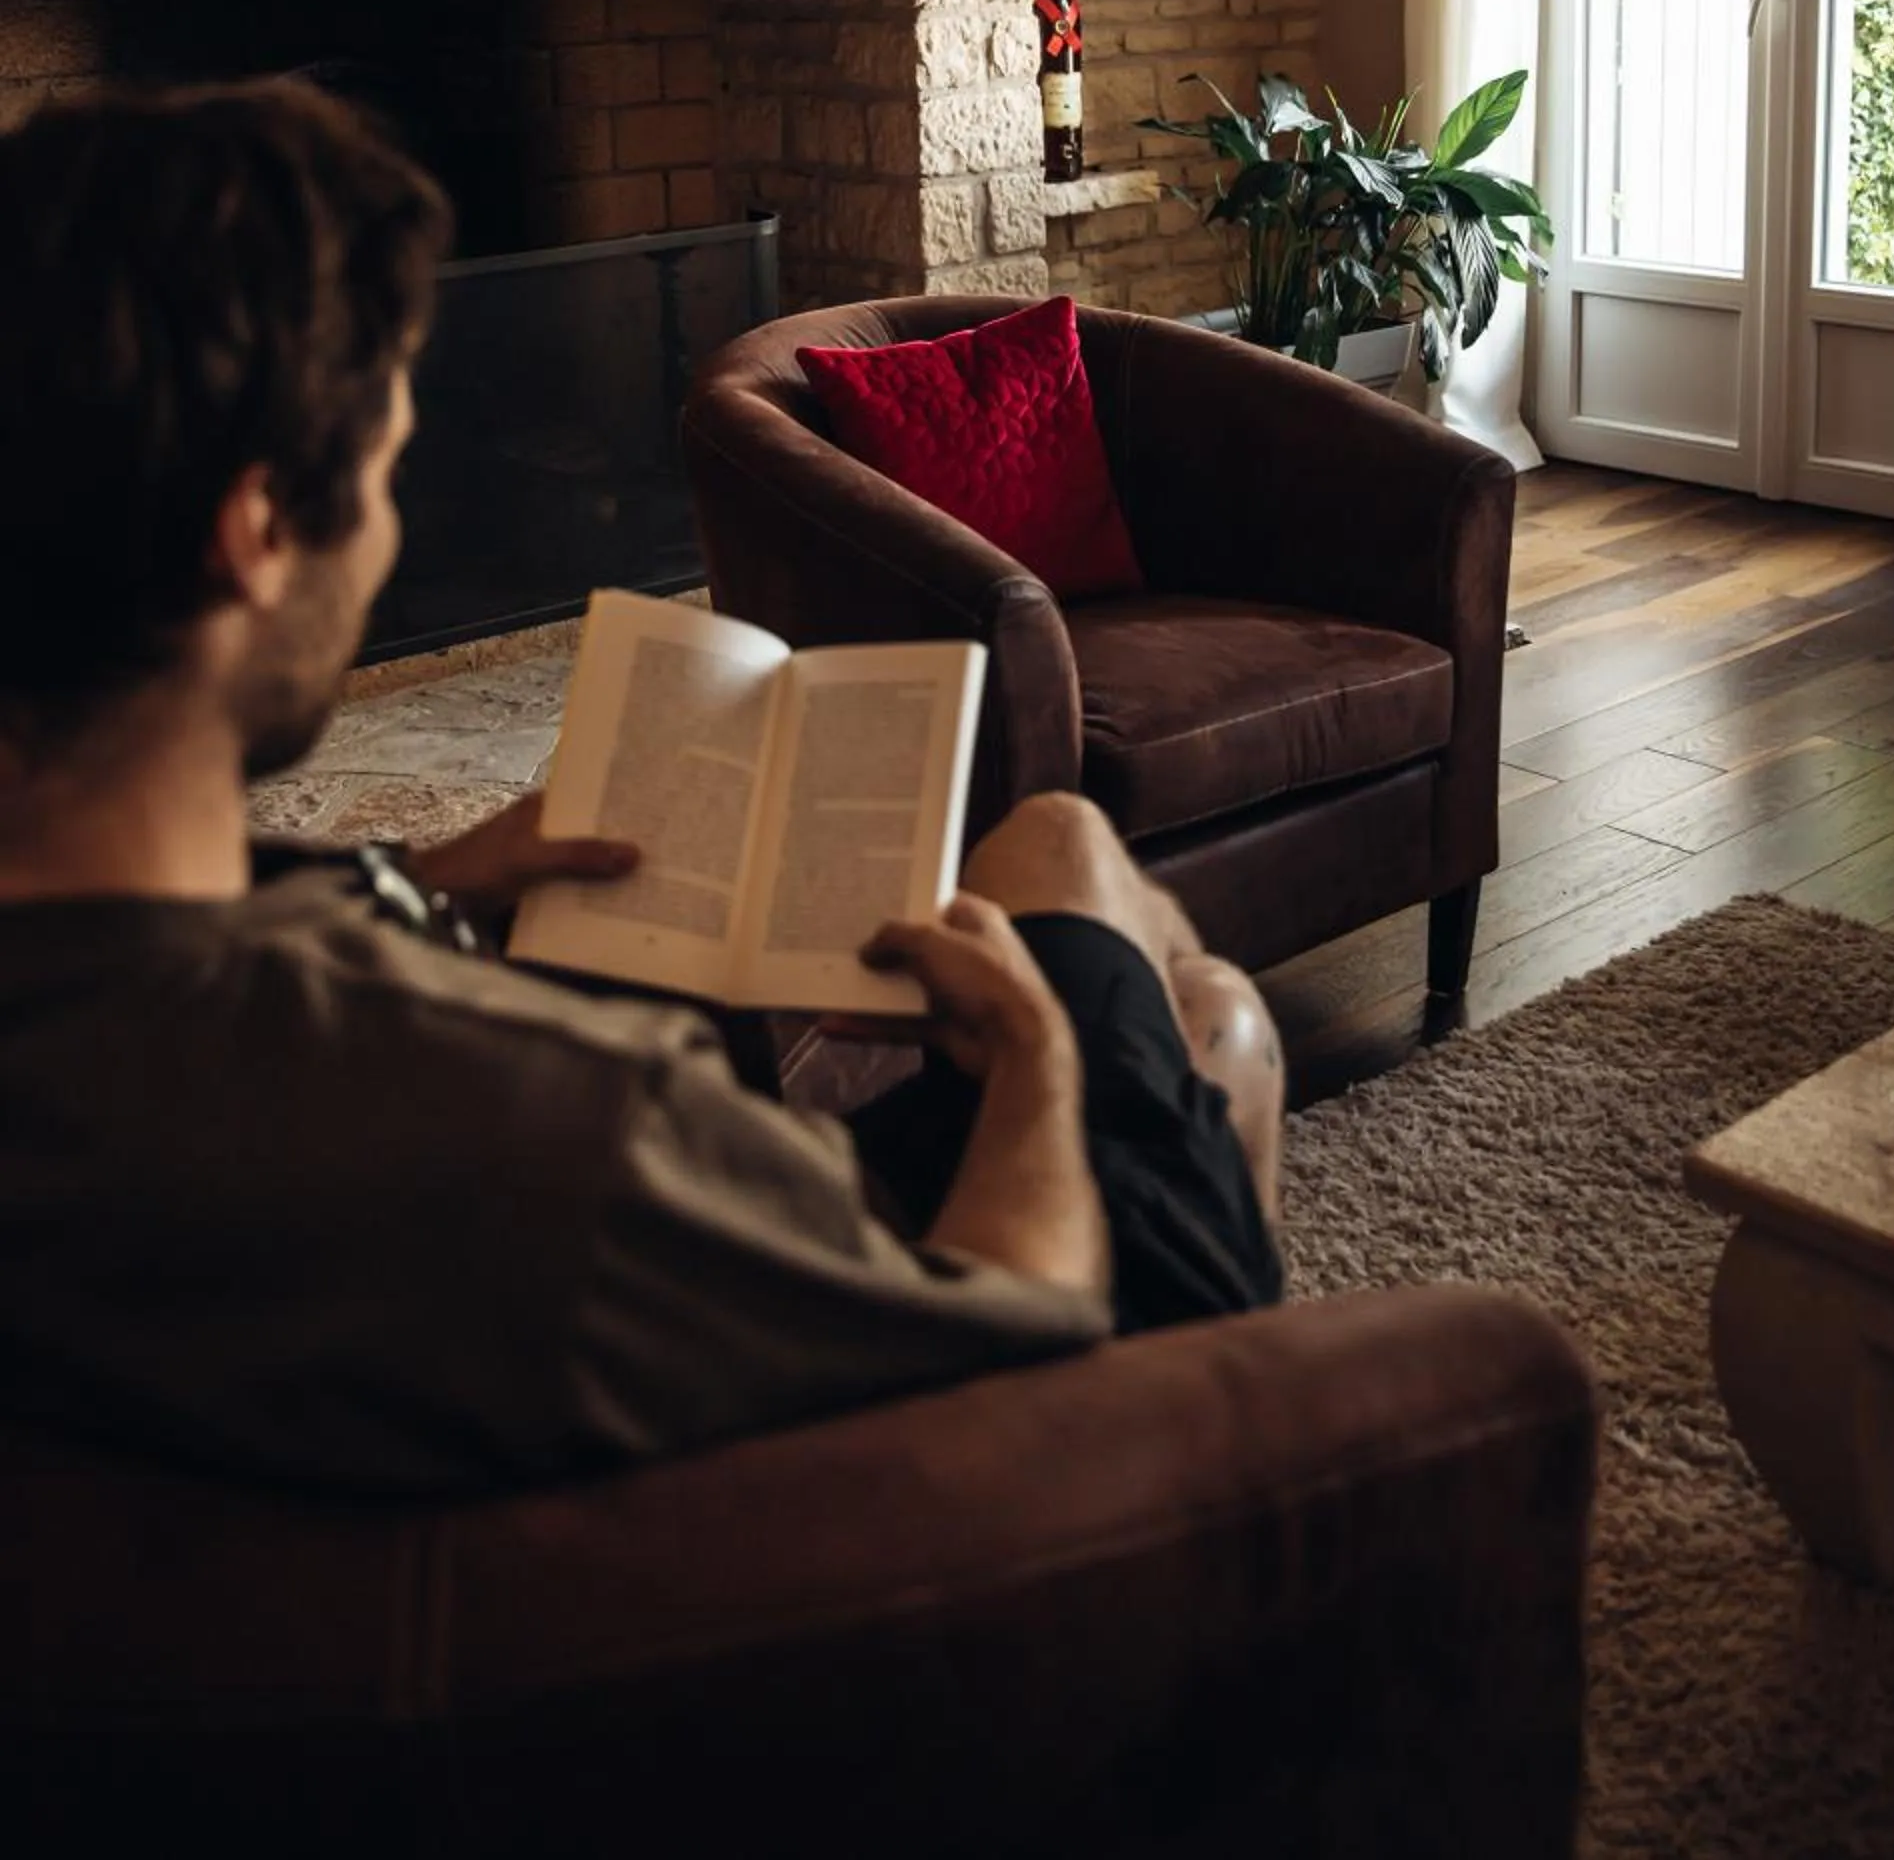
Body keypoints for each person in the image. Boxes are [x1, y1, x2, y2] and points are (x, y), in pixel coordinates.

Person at [0, 80, 1284, 1497]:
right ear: (254, 538)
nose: (383, 531)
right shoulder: (566, 1126)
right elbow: (1010, 1358)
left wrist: (413, 887)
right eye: (378, 472)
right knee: (1209, 1018)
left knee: (1073, 866)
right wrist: (1038, 1066)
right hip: (1007, 1498)